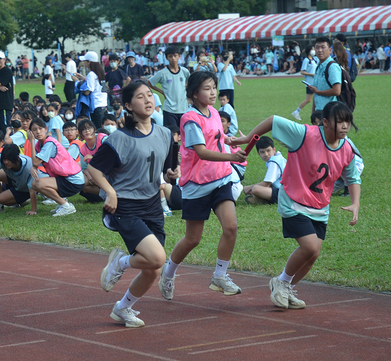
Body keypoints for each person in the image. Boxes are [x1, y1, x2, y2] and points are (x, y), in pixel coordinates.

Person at [232, 102, 361, 309]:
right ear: (326, 122)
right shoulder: (304, 134)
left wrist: (355, 203)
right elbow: (273, 120)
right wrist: (248, 138)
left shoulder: (346, 148)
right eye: (340, 121)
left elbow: (353, 177)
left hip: (319, 206)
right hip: (293, 200)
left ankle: (285, 285)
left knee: (314, 254)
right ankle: (281, 282)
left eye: (348, 121)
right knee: (309, 246)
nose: (345, 126)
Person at [87, 80, 179, 328]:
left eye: (150, 95)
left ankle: (122, 308)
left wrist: (172, 173)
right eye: (140, 97)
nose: (148, 100)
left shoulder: (163, 134)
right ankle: (119, 262)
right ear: (128, 105)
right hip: (125, 207)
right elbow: (93, 168)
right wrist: (110, 192)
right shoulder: (119, 139)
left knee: (153, 269)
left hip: (152, 205)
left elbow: (167, 167)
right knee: (157, 257)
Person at [159, 71, 247, 301]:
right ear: (195, 93)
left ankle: (220, 275)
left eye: (214, 88)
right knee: (193, 239)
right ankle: (168, 274)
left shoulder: (216, 113)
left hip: (221, 179)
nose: (213, 92)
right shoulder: (189, 118)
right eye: (207, 88)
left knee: (231, 227)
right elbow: (201, 151)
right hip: (196, 185)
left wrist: (231, 141)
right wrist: (232, 157)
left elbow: (216, 138)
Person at [29, 117, 84, 216]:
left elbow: (36, 162)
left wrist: (31, 141)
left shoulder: (49, 143)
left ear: (46, 129)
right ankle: (62, 203)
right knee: (35, 183)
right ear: (31, 132)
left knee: (38, 183)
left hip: (73, 179)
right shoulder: (39, 144)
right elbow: (37, 163)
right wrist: (33, 167)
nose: (38, 132)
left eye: (40, 128)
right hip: (64, 177)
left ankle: (66, 206)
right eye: (34, 129)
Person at [148, 46, 191, 128]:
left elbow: (191, 84)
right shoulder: (162, 73)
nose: (173, 58)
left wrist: (188, 97)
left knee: (184, 137)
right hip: (169, 110)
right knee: (171, 136)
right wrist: (162, 92)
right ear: (167, 58)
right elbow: (149, 83)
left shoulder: (184, 71)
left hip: (184, 109)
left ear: (179, 56)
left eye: (175, 56)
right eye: (170, 56)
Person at [243, 136, 286, 205]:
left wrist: (249, 187)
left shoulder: (274, 162)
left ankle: (266, 199)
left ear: (273, 149)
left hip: (287, 193)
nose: (266, 154)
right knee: (263, 187)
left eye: (268, 150)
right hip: (287, 189)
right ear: (258, 153)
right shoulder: (278, 156)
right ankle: (264, 198)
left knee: (256, 189)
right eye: (262, 152)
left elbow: (266, 183)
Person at [73, 51, 108, 129]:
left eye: (85, 61)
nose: (83, 62)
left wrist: (77, 82)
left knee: (98, 130)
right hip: (103, 104)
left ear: (89, 62)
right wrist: (84, 78)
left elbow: (87, 91)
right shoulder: (99, 72)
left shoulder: (91, 74)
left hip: (96, 106)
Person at [306, 37, 341, 114]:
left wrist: (319, 92)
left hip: (330, 112)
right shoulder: (319, 66)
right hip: (319, 112)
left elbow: (337, 91)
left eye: (323, 47)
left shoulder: (332, 66)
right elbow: (316, 92)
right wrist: (313, 113)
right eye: (317, 48)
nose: (320, 50)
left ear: (330, 50)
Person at [291, 46, 318, 121]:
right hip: (309, 83)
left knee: (316, 99)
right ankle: (296, 112)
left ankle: (315, 114)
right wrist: (311, 74)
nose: (314, 51)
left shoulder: (314, 59)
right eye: (312, 49)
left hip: (315, 82)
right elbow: (302, 71)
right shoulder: (306, 60)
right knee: (308, 99)